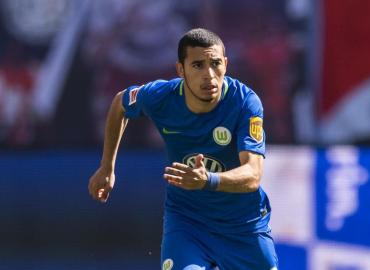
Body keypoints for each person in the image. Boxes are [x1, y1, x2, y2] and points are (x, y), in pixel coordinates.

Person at [88, 28, 278, 270]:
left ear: (226, 64)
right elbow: (120, 103)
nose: (209, 75)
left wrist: (207, 179)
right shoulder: (161, 96)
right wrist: (107, 167)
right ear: (181, 69)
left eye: (216, 63)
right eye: (198, 65)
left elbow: (252, 174)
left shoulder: (244, 102)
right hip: (188, 223)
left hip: (242, 225)